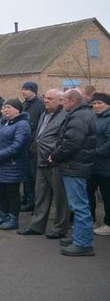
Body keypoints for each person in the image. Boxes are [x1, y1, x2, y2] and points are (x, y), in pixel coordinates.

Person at [16, 89, 69, 238]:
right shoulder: (44, 114)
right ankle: (37, 226)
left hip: (56, 162)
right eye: (45, 98)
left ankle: (60, 228)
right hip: (41, 160)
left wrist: (55, 154)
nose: (46, 101)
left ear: (60, 101)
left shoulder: (65, 116)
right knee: (41, 196)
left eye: (50, 99)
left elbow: (64, 140)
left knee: (60, 198)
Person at [50, 89, 96, 256]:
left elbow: (71, 142)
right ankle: (79, 237)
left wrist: (55, 157)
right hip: (74, 165)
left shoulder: (79, 116)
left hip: (75, 166)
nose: (61, 103)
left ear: (73, 101)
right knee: (76, 204)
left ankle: (83, 243)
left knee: (79, 206)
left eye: (64, 100)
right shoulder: (80, 114)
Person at [0, 98, 31, 230]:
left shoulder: (22, 124)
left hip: (12, 164)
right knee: (0, 191)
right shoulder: (1, 122)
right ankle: (4, 214)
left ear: (18, 109)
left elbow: (18, 145)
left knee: (12, 192)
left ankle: (13, 218)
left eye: (8, 107)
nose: (5, 110)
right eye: (4, 108)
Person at [21, 81, 46, 212]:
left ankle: (34, 201)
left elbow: (41, 124)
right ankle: (26, 198)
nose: (23, 91)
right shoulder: (24, 104)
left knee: (33, 175)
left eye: (26, 89)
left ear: (33, 90)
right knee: (25, 174)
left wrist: (33, 139)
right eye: (23, 89)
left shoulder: (40, 105)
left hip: (34, 146)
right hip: (24, 144)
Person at [89, 92, 110, 236]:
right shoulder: (94, 118)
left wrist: (94, 152)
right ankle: (90, 221)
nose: (96, 106)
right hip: (91, 166)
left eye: (99, 103)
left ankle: (108, 224)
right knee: (89, 194)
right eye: (94, 103)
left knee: (107, 196)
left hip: (106, 167)